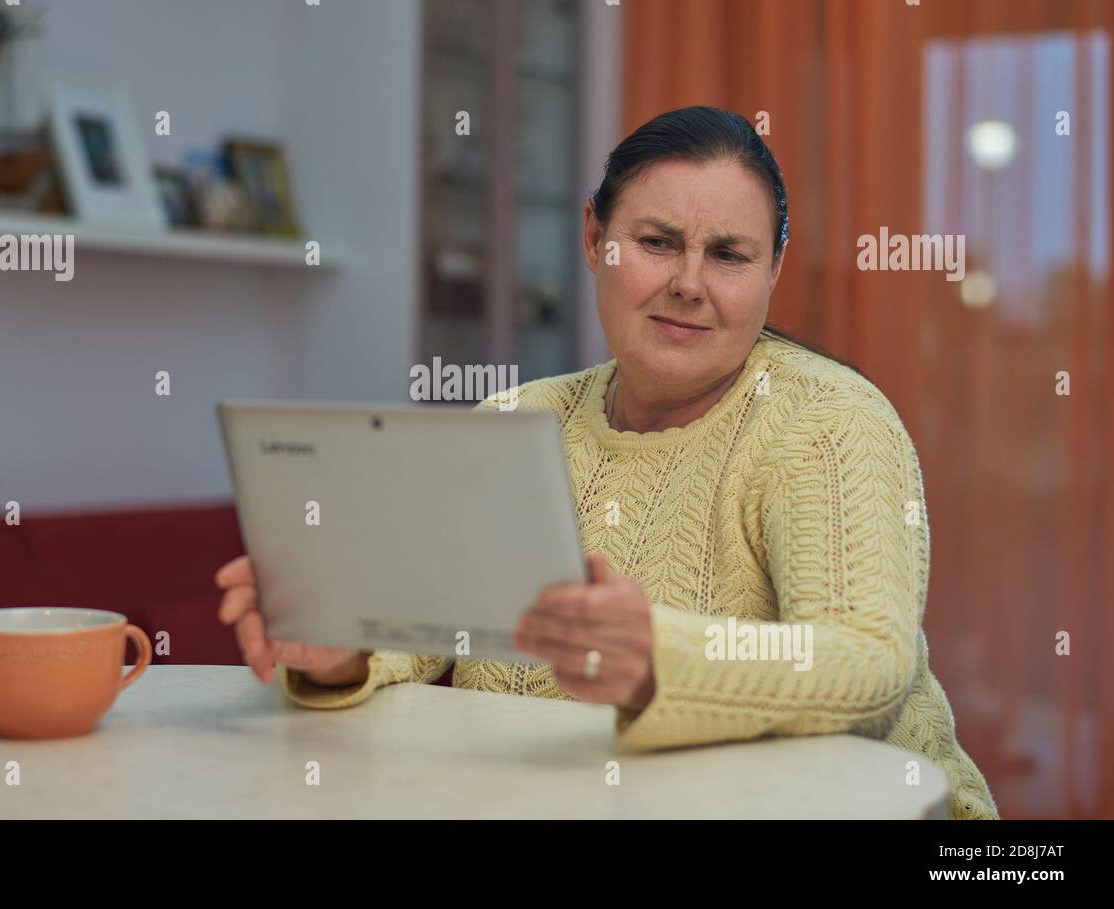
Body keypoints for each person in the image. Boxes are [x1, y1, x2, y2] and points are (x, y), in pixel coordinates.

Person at [215, 106, 999, 819]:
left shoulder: (827, 420)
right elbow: (420, 625)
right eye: (657, 243)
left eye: (728, 255)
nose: (689, 284)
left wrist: (656, 660)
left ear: (773, 271)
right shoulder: (517, 421)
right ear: (596, 239)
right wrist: (341, 646)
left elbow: (865, 663)